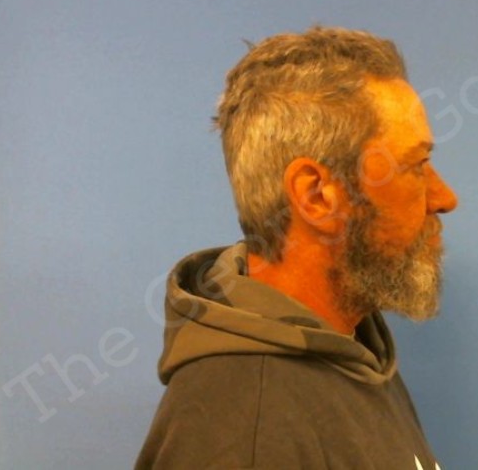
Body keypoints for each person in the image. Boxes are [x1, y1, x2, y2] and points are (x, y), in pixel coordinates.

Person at [135, 26, 458, 469]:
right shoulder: (247, 430)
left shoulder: (354, 353)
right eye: (415, 166)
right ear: (316, 196)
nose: (444, 198)